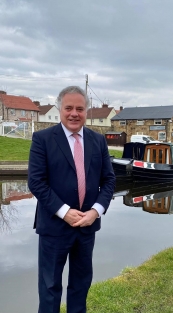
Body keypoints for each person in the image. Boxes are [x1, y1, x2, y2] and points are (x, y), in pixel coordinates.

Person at [28, 86, 116, 313]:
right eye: (69, 108)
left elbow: (109, 181)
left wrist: (95, 211)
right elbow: (36, 182)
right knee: (49, 287)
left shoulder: (98, 141)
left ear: (87, 111)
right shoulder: (43, 139)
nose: (74, 113)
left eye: (80, 108)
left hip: (86, 227)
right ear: (60, 109)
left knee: (80, 285)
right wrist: (64, 211)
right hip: (54, 227)